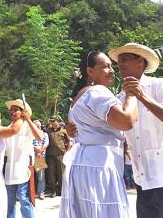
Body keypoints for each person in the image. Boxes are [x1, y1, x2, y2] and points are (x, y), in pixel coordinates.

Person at [107, 43, 163, 218]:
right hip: (141, 178)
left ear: (140, 62)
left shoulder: (159, 86)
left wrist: (142, 97)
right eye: (118, 61)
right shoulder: (120, 97)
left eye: (124, 60)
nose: (120, 65)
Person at [59, 51, 138, 218]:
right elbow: (126, 121)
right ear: (90, 71)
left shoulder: (78, 98)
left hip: (83, 166)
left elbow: (74, 131)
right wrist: (132, 96)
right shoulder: (97, 92)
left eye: (111, 66)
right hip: (99, 166)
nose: (111, 70)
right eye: (106, 67)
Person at [5, 99, 43, 218]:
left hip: (22, 168)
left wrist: (28, 119)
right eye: (11, 110)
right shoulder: (8, 127)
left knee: (24, 200)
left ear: (22, 112)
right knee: (9, 202)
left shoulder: (27, 125)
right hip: (9, 168)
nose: (12, 112)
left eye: (15, 110)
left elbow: (40, 137)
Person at [46, 115, 70, 197]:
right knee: (51, 174)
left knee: (61, 173)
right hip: (51, 155)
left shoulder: (64, 131)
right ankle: (53, 191)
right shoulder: (48, 131)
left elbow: (68, 141)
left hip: (61, 155)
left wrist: (67, 151)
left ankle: (61, 190)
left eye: (53, 121)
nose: (52, 123)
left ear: (57, 121)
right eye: (51, 121)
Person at [32, 120, 49, 200]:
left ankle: (41, 192)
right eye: (35, 126)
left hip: (40, 157)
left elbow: (46, 144)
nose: (37, 127)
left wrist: (40, 151)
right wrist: (36, 150)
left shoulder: (45, 134)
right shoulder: (30, 134)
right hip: (31, 157)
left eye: (38, 126)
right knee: (29, 176)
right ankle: (29, 192)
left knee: (41, 176)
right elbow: (29, 144)